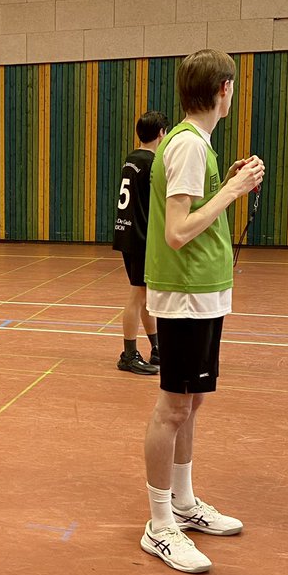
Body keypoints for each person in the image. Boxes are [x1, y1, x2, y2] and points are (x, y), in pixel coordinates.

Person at [140, 49, 264, 574]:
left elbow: (192, 209)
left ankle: (185, 506)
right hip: (185, 291)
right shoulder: (188, 145)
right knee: (173, 407)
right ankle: (158, 524)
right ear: (223, 90)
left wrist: (223, 183)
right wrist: (233, 192)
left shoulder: (197, 146)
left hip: (206, 289)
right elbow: (177, 230)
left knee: (192, 405)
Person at [113, 110, 168, 376]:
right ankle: (128, 354)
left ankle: (156, 348)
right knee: (137, 295)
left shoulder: (131, 159)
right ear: (161, 133)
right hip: (141, 237)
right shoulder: (153, 163)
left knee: (146, 295)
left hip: (126, 233)